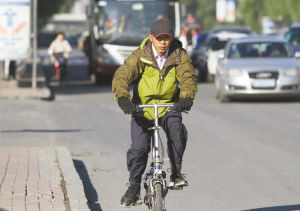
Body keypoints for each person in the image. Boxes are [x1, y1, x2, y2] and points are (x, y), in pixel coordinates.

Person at [112, 18, 198, 208]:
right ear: (151, 38)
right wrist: (123, 98)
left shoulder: (178, 54)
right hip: (143, 108)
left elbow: (187, 76)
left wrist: (187, 97)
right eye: (159, 39)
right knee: (139, 149)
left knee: (177, 132)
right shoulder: (140, 55)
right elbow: (123, 74)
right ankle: (134, 187)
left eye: (166, 38)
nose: (163, 43)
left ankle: (176, 173)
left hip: (168, 106)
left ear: (171, 38)